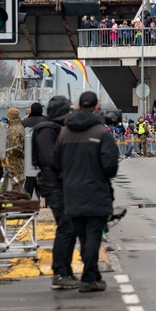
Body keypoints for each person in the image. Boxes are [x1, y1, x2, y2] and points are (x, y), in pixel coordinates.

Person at [54, 91, 119, 294]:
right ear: (96, 107)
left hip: (72, 193)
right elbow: (110, 167)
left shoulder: (64, 133)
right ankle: (89, 277)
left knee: (83, 236)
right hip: (96, 192)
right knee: (93, 237)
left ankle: (93, 276)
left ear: (79, 106)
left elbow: (56, 163)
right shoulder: (101, 133)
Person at [33, 96, 79, 290]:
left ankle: (65, 270)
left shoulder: (56, 128)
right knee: (66, 228)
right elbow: (50, 158)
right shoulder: (46, 130)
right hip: (54, 185)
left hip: (62, 184)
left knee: (70, 228)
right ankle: (60, 272)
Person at [21, 101, 47, 197]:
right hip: (43, 155)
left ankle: (26, 202)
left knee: (29, 180)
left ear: (31, 110)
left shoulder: (23, 123)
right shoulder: (46, 121)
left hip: (28, 155)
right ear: (41, 110)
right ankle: (44, 204)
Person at [4, 108, 26, 194]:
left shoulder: (13, 129)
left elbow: (15, 147)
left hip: (15, 160)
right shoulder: (20, 126)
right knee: (19, 184)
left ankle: (19, 204)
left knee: (16, 185)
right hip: (19, 161)